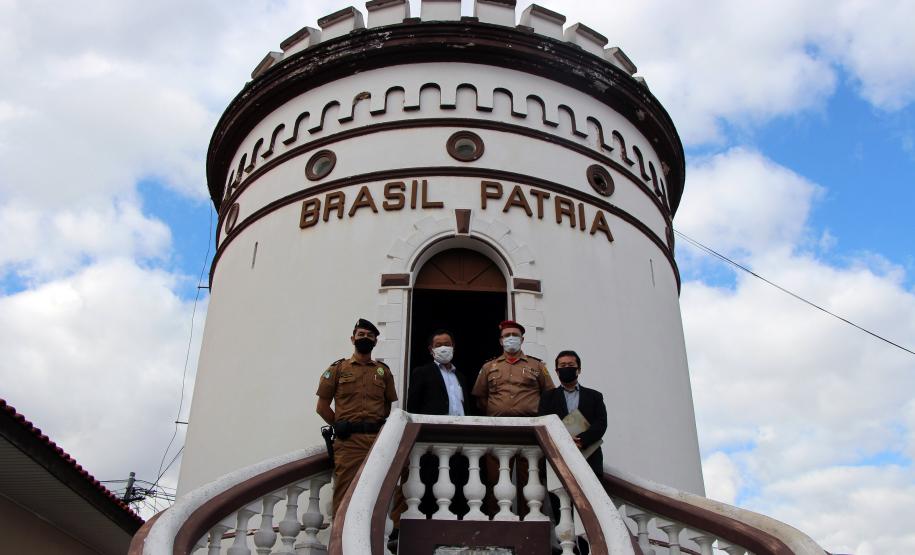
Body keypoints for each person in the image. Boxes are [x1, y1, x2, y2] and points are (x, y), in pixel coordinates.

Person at [471, 320, 554, 515]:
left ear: (522, 340)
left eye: (514, 335)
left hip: (529, 432)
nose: (511, 339)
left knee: (530, 479)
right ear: (500, 341)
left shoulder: (537, 366)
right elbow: (481, 398)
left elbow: (549, 396)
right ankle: (496, 520)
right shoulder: (489, 367)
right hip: (497, 430)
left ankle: (530, 521)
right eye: (507, 336)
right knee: (496, 478)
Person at [316, 318, 397, 515]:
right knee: (345, 493)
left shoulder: (383, 372)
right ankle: (339, 543)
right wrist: (338, 424)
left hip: (376, 441)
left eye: (370, 336)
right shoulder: (338, 369)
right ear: (352, 339)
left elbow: (387, 406)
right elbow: (322, 407)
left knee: (376, 492)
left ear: (376, 342)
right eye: (361, 335)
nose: (365, 338)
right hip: (349, 442)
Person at [402, 329, 470, 519]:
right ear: (431, 349)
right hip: (432, 440)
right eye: (438, 345)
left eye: (447, 344)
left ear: (454, 347)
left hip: (460, 440)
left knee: (460, 481)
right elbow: (413, 406)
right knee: (431, 482)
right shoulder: (421, 373)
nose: (443, 348)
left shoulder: (461, 377)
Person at [538, 350, 607, 476]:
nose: (566, 368)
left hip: (589, 455)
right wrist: (564, 441)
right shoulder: (547, 397)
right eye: (562, 366)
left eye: (570, 365)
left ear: (579, 369)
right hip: (558, 454)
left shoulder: (595, 396)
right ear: (557, 371)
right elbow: (543, 422)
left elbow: (601, 423)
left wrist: (581, 440)